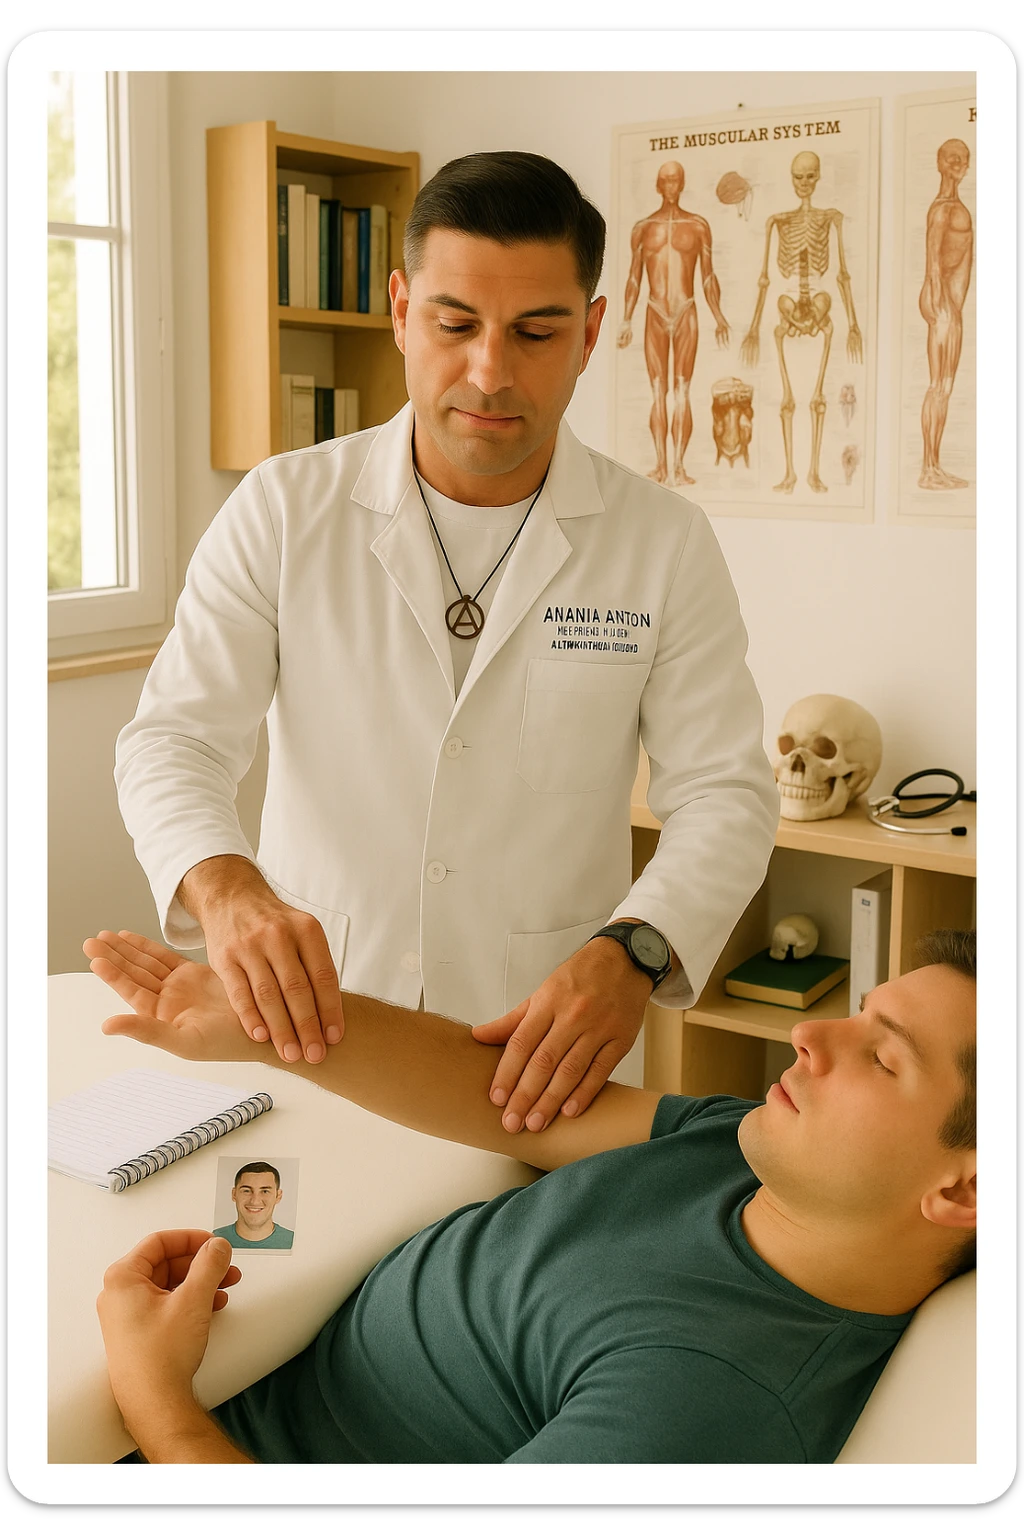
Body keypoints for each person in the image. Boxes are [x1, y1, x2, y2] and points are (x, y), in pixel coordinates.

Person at [113, 150, 778, 1139]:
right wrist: (228, 890)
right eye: (454, 324)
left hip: (537, 1062)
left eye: (536, 331)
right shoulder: (286, 509)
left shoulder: (661, 543)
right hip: (313, 1033)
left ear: (592, 331)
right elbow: (174, 740)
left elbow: (723, 792)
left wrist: (634, 950)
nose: (490, 372)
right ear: (399, 309)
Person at [88, 925, 976, 1465]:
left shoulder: (706, 1404)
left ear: (965, 1187)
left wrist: (152, 1394)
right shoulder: (746, 1147)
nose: (810, 1032)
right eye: (857, 1010)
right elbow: (510, 1101)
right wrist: (266, 1028)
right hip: (240, 1374)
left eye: (882, 1055)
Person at [617, 160, 730, 487]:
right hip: (654, 311)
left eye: (676, 180)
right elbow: (634, 278)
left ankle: (678, 467)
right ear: (658, 184)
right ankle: (659, 466)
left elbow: (708, 276)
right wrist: (626, 319)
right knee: (657, 392)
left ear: (681, 184)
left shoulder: (697, 226)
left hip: (686, 311)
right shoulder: (643, 228)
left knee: (682, 392)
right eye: (666, 180)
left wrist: (719, 316)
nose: (671, 186)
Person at [918, 138, 973, 491]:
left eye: (965, 159)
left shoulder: (951, 205)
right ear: (940, 162)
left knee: (943, 387)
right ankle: (928, 468)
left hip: (948, 306)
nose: (960, 164)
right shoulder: (943, 210)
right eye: (953, 158)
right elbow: (933, 262)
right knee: (940, 386)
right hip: (943, 305)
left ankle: (933, 465)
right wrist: (939, 303)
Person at [212, 1161, 294, 1250]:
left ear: (278, 1196)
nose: (255, 1201)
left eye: (265, 1191)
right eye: (247, 1191)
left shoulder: (294, 1241)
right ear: (234, 1194)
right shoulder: (213, 1239)